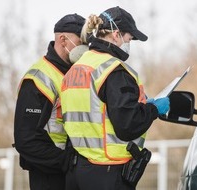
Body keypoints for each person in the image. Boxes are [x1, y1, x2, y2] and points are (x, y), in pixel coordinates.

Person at [60, 6, 170, 190]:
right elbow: (127, 125)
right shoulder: (113, 70)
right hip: (107, 172)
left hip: (78, 170)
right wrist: (152, 110)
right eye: (129, 39)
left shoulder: (77, 68)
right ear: (116, 35)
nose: (129, 44)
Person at [13, 13, 85, 190]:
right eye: (82, 42)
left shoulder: (76, 74)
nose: (85, 48)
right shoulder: (38, 78)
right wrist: (67, 161)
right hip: (49, 175)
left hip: (73, 172)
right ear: (63, 40)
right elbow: (27, 139)